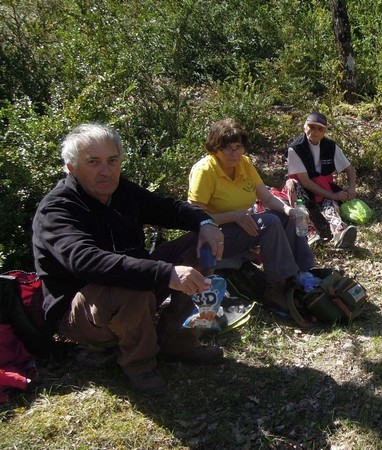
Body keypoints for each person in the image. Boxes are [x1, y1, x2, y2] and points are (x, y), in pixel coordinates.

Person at [32, 123, 226, 396]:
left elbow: (168, 208)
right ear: (72, 167)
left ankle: (178, 341)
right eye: (93, 162)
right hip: (82, 313)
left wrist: (205, 221)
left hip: (131, 294)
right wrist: (166, 273)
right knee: (129, 285)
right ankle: (140, 363)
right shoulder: (57, 209)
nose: (106, 170)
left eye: (113, 161)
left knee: (199, 245)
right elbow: (86, 261)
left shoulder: (121, 191)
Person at [187, 119, 316, 315]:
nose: (235, 153)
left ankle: (302, 275)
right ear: (215, 148)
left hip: (243, 225)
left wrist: (290, 210)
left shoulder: (244, 164)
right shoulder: (205, 170)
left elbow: (266, 197)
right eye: (228, 148)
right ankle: (275, 289)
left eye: (239, 147)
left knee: (284, 217)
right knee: (270, 222)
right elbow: (194, 217)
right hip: (215, 237)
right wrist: (233, 216)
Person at [285, 112, 359, 248]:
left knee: (330, 203)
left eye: (320, 129)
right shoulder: (295, 149)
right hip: (302, 187)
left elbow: (350, 169)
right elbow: (305, 181)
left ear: (325, 131)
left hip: (323, 186)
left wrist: (351, 188)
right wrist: (333, 195)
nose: (315, 132)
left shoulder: (330, 146)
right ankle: (309, 231)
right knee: (293, 187)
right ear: (304, 126)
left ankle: (339, 231)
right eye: (311, 127)